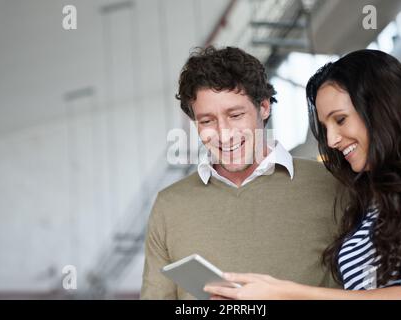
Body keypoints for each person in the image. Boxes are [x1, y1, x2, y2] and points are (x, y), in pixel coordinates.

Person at [204, 49, 401, 300]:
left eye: (340, 120)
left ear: (382, 109)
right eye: (325, 127)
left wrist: (285, 293)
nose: (331, 140)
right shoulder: (369, 203)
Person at [140, 46, 340, 299]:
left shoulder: (331, 185)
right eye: (207, 121)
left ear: (264, 107)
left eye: (235, 115)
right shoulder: (169, 206)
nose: (224, 134)